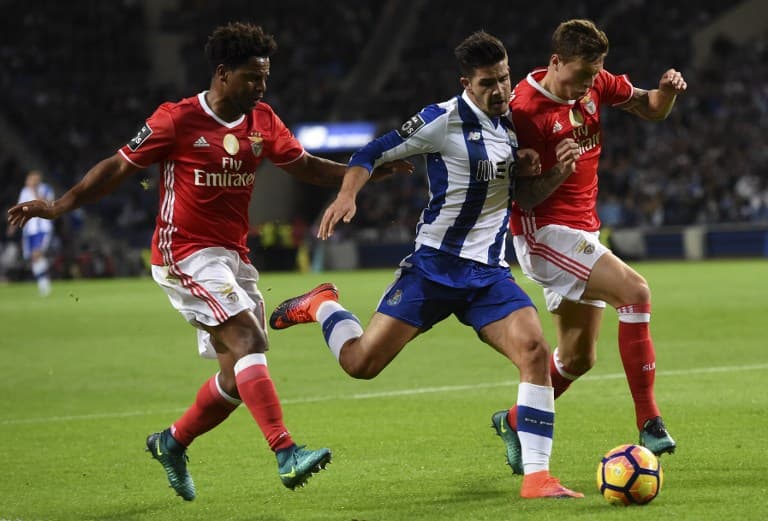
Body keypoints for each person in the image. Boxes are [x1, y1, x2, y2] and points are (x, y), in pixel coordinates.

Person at [7, 22, 409, 501]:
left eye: (265, 78)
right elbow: (118, 167)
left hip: (232, 256)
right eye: (252, 78)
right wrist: (59, 205)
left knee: (236, 377)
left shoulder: (262, 119)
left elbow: (302, 165)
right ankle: (286, 452)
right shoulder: (176, 120)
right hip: (184, 254)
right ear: (223, 74)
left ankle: (171, 443)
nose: (262, 87)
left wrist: (360, 177)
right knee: (249, 339)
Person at [269, 31, 584, 499]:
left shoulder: (513, 122)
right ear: (466, 83)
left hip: (489, 276)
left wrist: (555, 170)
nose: (499, 91)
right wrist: (348, 194)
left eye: (504, 78)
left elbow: (521, 198)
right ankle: (321, 305)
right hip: (433, 268)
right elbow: (371, 152)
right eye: (486, 83)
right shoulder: (442, 119)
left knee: (535, 352)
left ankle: (538, 477)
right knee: (361, 363)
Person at [497, 18, 687, 472]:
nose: (586, 86)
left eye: (593, 76)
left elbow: (652, 108)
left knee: (578, 358)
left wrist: (668, 91)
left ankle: (513, 420)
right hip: (542, 234)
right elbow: (520, 196)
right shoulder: (523, 111)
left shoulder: (593, 81)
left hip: (582, 232)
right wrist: (558, 171)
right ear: (555, 61)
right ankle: (650, 422)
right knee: (636, 292)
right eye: (579, 75)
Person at [7, 170, 55, 296]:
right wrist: (12, 226)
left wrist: (34, 190)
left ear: (39, 179)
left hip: (43, 228)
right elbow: (20, 208)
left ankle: (45, 285)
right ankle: (43, 282)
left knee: (36, 254)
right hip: (29, 229)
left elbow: (48, 205)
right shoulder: (24, 191)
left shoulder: (46, 188)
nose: (32, 181)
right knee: (32, 258)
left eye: (34, 179)